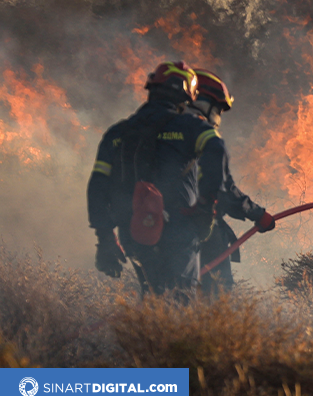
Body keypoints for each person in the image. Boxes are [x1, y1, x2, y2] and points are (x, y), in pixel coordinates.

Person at [86, 61, 226, 295]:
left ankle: (148, 331)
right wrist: (205, 205)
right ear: (186, 96)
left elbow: (98, 187)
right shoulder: (191, 127)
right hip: (178, 230)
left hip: (134, 231)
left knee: (151, 295)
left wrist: (105, 238)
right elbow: (217, 152)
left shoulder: (118, 132)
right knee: (179, 299)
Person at [187, 69, 275, 295]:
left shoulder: (162, 131)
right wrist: (257, 214)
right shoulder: (200, 135)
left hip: (159, 227)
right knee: (216, 291)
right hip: (200, 227)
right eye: (217, 108)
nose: (218, 115)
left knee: (170, 293)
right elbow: (223, 190)